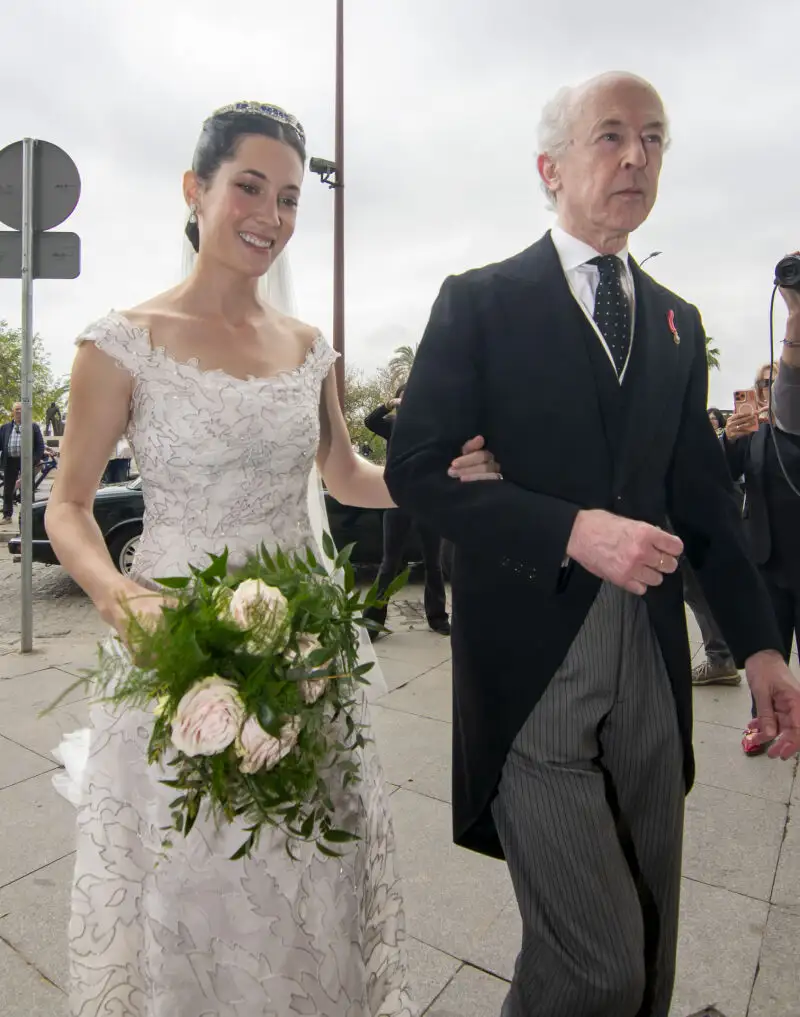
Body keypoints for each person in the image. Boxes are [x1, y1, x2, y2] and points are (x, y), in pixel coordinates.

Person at [44, 100, 502, 1017]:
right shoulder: (119, 341)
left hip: (303, 645)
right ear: (196, 189)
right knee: (191, 875)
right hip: (174, 648)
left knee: (306, 865)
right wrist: (119, 599)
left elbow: (344, 473)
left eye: (290, 197)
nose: (271, 214)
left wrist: (443, 478)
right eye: (250, 186)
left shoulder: (308, 348)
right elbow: (69, 505)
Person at [385, 72, 800, 1017]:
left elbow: (703, 506)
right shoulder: (478, 303)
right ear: (550, 166)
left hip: (651, 666)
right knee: (600, 960)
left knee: (644, 955)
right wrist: (568, 527)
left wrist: (765, 647)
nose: (637, 156)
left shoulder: (677, 322)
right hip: (534, 673)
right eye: (611, 135)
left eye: (653, 137)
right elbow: (413, 470)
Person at [723, 359, 800, 754]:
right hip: (766, 558)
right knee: (768, 650)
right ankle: (763, 723)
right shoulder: (753, 432)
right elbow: (724, 474)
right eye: (764, 384)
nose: (770, 390)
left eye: (779, 383)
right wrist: (730, 440)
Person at [364, 383, 454, 636]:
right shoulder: (392, 425)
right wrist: (389, 404)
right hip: (396, 503)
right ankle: (374, 620)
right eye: (402, 399)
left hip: (427, 503)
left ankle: (437, 618)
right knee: (389, 563)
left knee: (433, 563)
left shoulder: (431, 427)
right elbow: (369, 421)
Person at [1, 402, 44, 520]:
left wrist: (34, 460)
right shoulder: (5, 428)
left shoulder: (33, 426)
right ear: (12, 412)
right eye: (16, 409)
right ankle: (7, 515)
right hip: (10, 462)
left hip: (26, 462)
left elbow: (40, 446)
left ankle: (28, 516)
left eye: (21, 409)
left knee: (27, 489)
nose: (19, 411)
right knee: (8, 489)